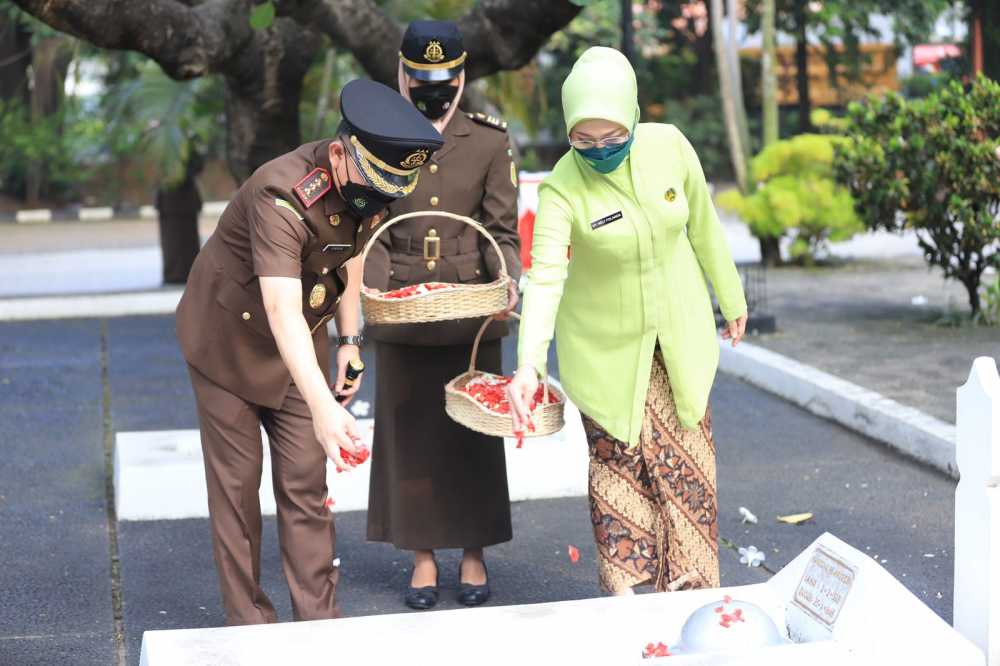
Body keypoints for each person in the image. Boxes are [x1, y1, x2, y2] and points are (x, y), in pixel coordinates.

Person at [175, 79, 444, 625]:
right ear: (341, 154)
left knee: (305, 482)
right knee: (237, 491)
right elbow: (279, 308)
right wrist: (325, 408)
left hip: (302, 341)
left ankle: (319, 629)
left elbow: (350, 257)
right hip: (228, 342)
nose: (379, 201)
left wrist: (349, 341)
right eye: (372, 187)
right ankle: (250, 631)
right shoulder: (280, 193)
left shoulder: (369, 186)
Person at [507, 47, 748, 596]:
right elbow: (543, 277)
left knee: (688, 473)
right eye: (584, 141)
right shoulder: (562, 186)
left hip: (679, 339)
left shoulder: (671, 148)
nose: (598, 151)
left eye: (612, 138)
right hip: (604, 350)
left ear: (633, 117)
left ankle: (692, 602)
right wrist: (527, 365)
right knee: (622, 475)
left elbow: (705, 228)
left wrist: (730, 299)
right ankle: (628, 606)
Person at [363, 20, 521, 610]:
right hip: (400, 302)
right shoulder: (375, 136)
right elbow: (368, 229)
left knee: (472, 432)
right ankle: (423, 554)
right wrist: (370, 300)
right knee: (409, 434)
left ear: (462, 78)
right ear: (402, 74)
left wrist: (507, 279)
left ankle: (474, 551)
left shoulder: (487, 140)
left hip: (470, 307)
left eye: (445, 81)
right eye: (421, 79)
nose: (435, 91)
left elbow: (500, 231)